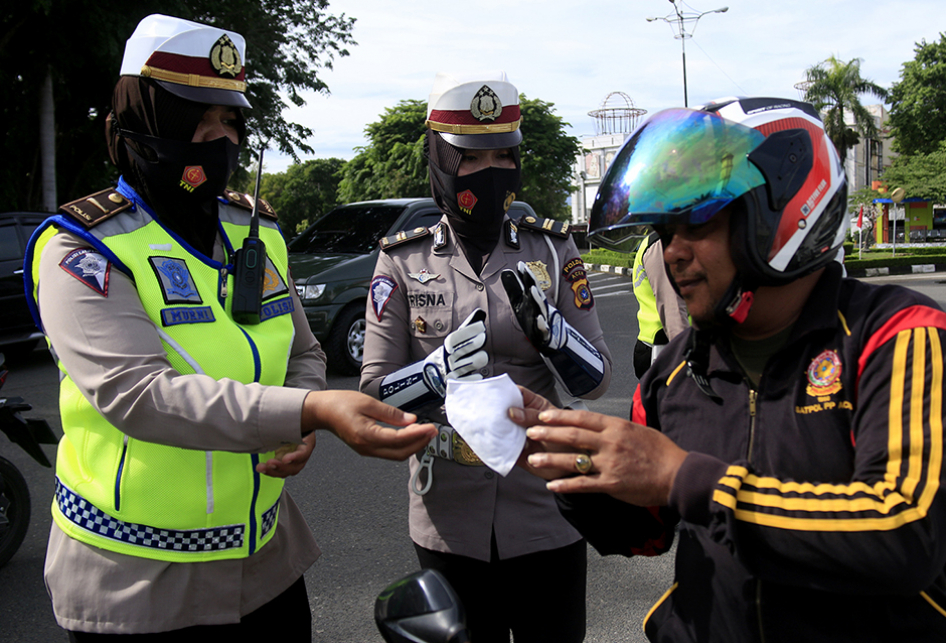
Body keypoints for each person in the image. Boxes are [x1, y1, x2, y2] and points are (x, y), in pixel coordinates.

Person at [24, 14, 434, 640]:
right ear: (141, 122)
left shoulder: (255, 233)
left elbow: (302, 350)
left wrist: (298, 414)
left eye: (229, 120)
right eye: (197, 119)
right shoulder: (83, 250)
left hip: (262, 560)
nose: (219, 139)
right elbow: (139, 394)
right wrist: (311, 412)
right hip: (137, 575)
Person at [512, 97, 946, 642]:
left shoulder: (896, 336)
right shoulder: (672, 373)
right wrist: (569, 461)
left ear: (783, 212)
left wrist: (684, 477)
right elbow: (646, 534)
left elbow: (905, 533)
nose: (673, 253)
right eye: (666, 232)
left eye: (696, 221)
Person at [360, 71, 612, 643]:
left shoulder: (551, 246)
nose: (490, 173)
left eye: (503, 155)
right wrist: (432, 372)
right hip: (447, 512)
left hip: (546, 503)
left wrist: (554, 336)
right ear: (443, 163)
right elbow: (370, 395)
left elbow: (597, 378)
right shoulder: (402, 260)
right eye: (472, 159)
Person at [632, 230, 689, 379]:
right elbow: (673, 309)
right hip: (663, 346)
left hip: (669, 343)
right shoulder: (660, 244)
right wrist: (685, 358)